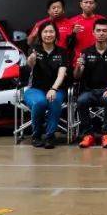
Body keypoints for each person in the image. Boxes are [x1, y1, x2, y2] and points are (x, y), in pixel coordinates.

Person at [74, 19, 107, 148]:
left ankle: (106, 135)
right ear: (93, 32)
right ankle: (88, 135)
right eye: (98, 30)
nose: (101, 33)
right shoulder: (86, 52)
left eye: (104, 31)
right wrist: (78, 67)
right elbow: (77, 76)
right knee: (81, 101)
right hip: (89, 91)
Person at [23, 21, 69, 149]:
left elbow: (61, 74)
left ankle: (50, 136)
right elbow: (30, 65)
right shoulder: (34, 50)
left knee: (54, 100)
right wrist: (31, 59)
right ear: (40, 34)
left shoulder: (62, 52)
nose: (48, 34)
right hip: (35, 89)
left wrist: (53, 89)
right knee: (40, 102)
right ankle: (36, 135)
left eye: (51, 31)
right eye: (45, 32)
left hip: (56, 89)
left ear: (56, 34)